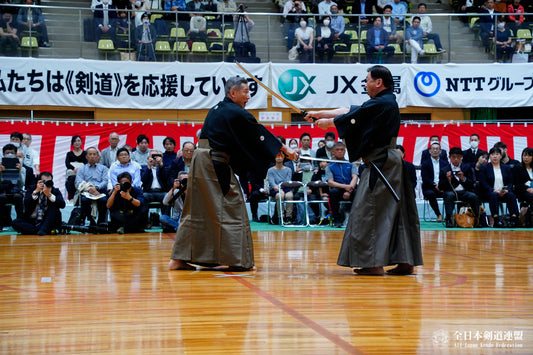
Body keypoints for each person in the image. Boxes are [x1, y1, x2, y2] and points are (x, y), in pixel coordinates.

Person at [168, 76, 297, 271]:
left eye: (249, 91)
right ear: (233, 93)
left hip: (203, 160)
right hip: (213, 163)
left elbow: (242, 140)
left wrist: (275, 150)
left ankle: (180, 259)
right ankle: (237, 260)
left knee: (199, 210)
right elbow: (257, 133)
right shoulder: (235, 112)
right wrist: (284, 149)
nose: (249, 96)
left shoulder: (218, 109)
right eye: (245, 91)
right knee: (233, 204)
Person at [304, 65, 422, 276]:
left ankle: (373, 263)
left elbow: (349, 117)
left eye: (367, 80)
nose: (365, 84)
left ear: (378, 82)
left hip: (381, 162)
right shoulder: (382, 102)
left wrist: (328, 123)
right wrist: (317, 113)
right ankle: (405, 261)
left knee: (369, 210)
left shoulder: (382, 103)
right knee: (397, 212)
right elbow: (349, 111)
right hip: (389, 161)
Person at [479, 147, 519, 227]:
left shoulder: (506, 168)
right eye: (492, 154)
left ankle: (513, 219)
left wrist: (507, 190)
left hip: (504, 192)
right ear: (489, 156)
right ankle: (496, 219)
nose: (495, 156)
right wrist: (493, 190)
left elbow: (511, 182)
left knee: (511, 195)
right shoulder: (485, 168)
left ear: (501, 156)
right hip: (490, 193)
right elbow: (483, 182)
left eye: (497, 154)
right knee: (493, 195)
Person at [440, 147, 480, 228]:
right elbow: (441, 186)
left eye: (458, 157)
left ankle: (477, 220)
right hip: (451, 192)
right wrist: (448, 179)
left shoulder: (467, 168)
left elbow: (472, 183)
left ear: (461, 157)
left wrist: (463, 179)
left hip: (464, 191)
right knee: (449, 195)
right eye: (453, 157)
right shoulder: (444, 169)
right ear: (449, 157)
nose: (456, 159)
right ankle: (449, 219)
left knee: (473, 196)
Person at [326, 142, 358, 227]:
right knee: (333, 192)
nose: (340, 151)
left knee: (358, 192)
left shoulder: (351, 164)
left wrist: (349, 190)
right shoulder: (329, 166)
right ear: (333, 152)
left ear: (345, 151)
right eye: (337, 150)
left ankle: (356, 219)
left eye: (342, 150)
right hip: (338, 189)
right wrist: (345, 187)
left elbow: (355, 177)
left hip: (351, 188)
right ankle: (336, 219)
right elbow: (330, 182)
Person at [75, 147, 109, 226]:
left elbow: (105, 181)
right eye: (90, 154)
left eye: (94, 154)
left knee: (103, 201)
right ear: (86, 156)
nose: (92, 156)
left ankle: (101, 222)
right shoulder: (81, 169)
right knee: (84, 200)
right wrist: (90, 189)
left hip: (99, 190)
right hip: (87, 191)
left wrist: (96, 188)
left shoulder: (103, 168)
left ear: (97, 156)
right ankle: (91, 222)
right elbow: (79, 183)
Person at [0, 143, 25, 229]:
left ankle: (20, 222)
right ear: (3, 154)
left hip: (15, 192)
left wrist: (19, 172)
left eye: (12, 153)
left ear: (15, 154)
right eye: (7, 153)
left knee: (18, 197)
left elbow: (22, 184)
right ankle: (2, 223)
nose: (9, 155)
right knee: (1, 197)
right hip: (2, 192)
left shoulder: (21, 167)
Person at [421, 142, 447, 222]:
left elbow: (447, 177)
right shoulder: (425, 164)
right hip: (430, 187)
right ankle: (438, 214)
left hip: (442, 187)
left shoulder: (445, 163)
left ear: (440, 151)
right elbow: (425, 178)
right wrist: (435, 185)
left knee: (450, 194)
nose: (435, 150)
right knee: (430, 194)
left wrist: (441, 185)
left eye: (437, 149)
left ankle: (448, 216)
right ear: (430, 151)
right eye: (433, 148)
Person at [65, 135, 88, 201]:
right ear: (72, 143)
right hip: (72, 172)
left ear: (81, 142)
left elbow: (86, 163)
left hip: (82, 173)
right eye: (75, 141)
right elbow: (67, 164)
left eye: (78, 141)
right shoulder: (69, 154)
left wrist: (80, 170)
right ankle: (71, 198)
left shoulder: (84, 153)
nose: (77, 143)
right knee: (72, 179)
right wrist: (74, 168)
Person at [515, 147, 533, 227]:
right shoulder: (518, 168)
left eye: (529, 156)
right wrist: (527, 189)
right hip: (522, 192)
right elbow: (517, 183)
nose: (526, 158)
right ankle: (528, 218)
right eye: (524, 155)